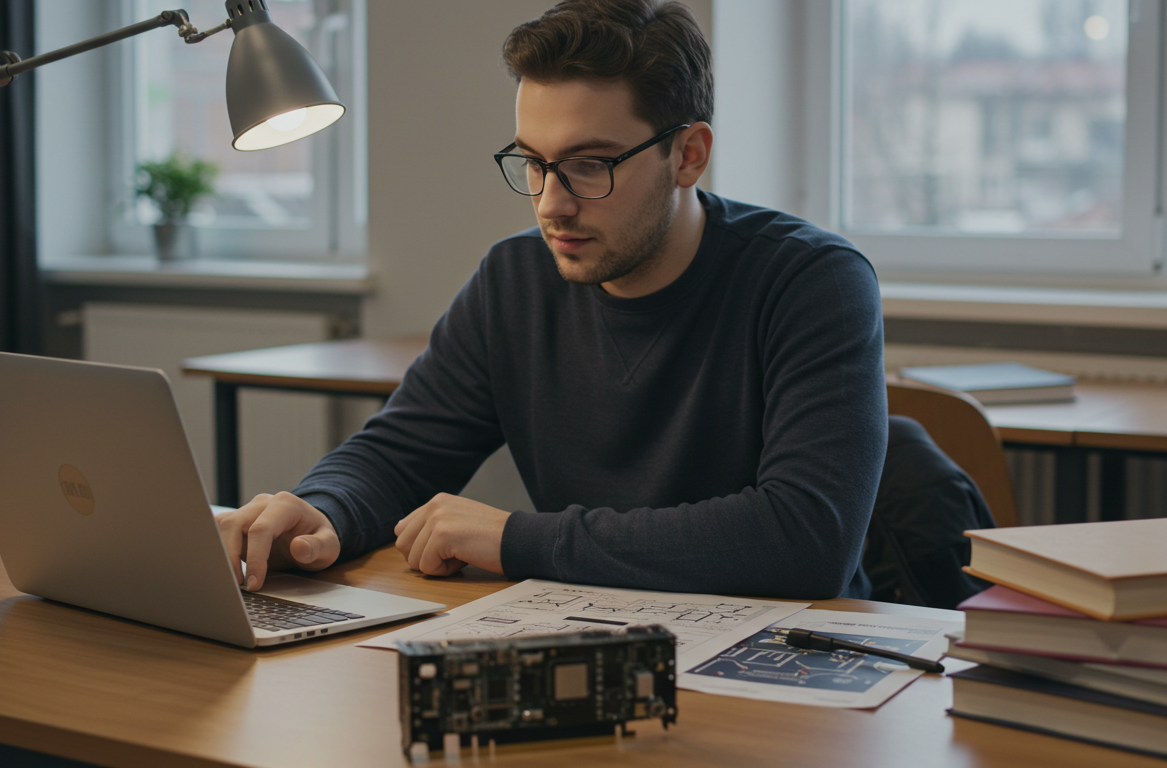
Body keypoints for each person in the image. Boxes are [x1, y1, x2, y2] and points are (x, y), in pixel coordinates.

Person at [217, 0, 886, 600]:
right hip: (599, 641)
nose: (551, 203)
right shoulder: (515, 280)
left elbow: (807, 539)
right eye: (533, 162)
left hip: (795, 667)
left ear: (688, 155)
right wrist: (322, 509)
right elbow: (399, 452)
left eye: (591, 164)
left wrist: (517, 539)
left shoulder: (814, 282)